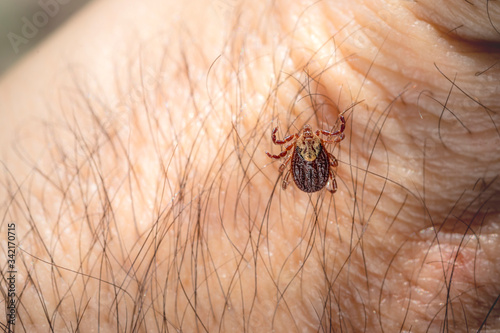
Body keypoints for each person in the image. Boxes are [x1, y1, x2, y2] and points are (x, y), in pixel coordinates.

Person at [1, 0, 498, 331]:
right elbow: (322, 149)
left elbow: (282, 153)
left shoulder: (298, 153)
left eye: (309, 143)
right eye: (309, 143)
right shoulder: (321, 154)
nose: (307, 144)